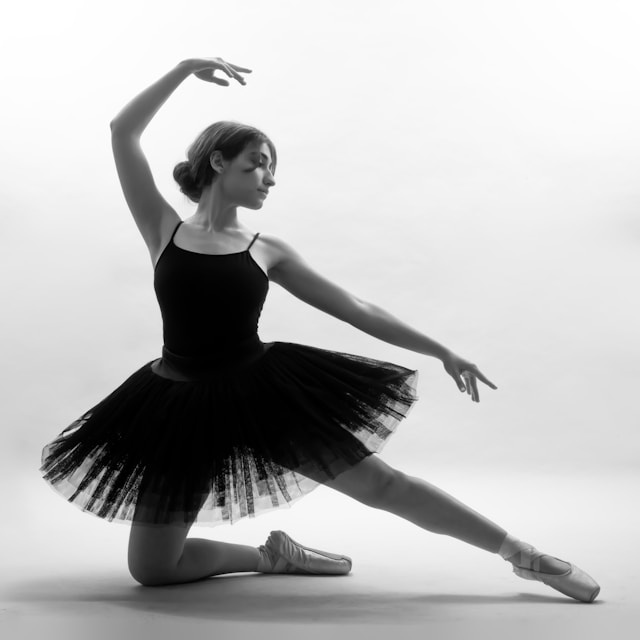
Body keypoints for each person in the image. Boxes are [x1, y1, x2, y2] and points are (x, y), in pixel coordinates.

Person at [39, 57, 600, 602]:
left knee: (382, 486)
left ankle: (523, 554)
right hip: (178, 404)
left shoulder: (267, 250)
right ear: (217, 162)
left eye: (272, 168)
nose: (270, 178)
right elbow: (123, 132)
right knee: (153, 571)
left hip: (258, 393)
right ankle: (273, 557)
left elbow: (356, 307)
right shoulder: (162, 229)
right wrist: (185, 69)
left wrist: (441, 350)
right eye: (258, 163)